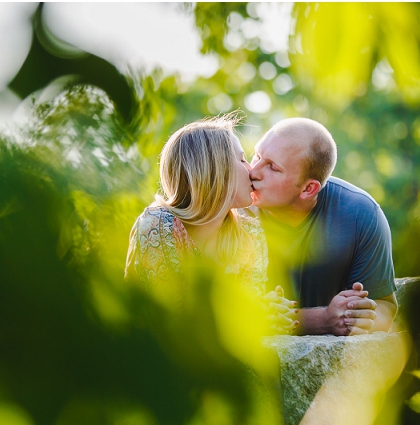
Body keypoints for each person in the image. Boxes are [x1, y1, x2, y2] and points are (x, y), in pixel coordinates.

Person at [125, 113, 297, 332]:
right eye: (242, 159)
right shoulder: (157, 224)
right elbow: (171, 321)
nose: (251, 170)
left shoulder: (250, 235)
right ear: (216, 168)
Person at [249, 118, 398, 336]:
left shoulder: (361, 214)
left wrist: (360, 317)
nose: (253, 172)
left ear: (309, 189)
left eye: (272, 167)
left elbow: (385, 307)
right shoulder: (232, 208)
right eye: (257, 155)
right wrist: (320, 320)